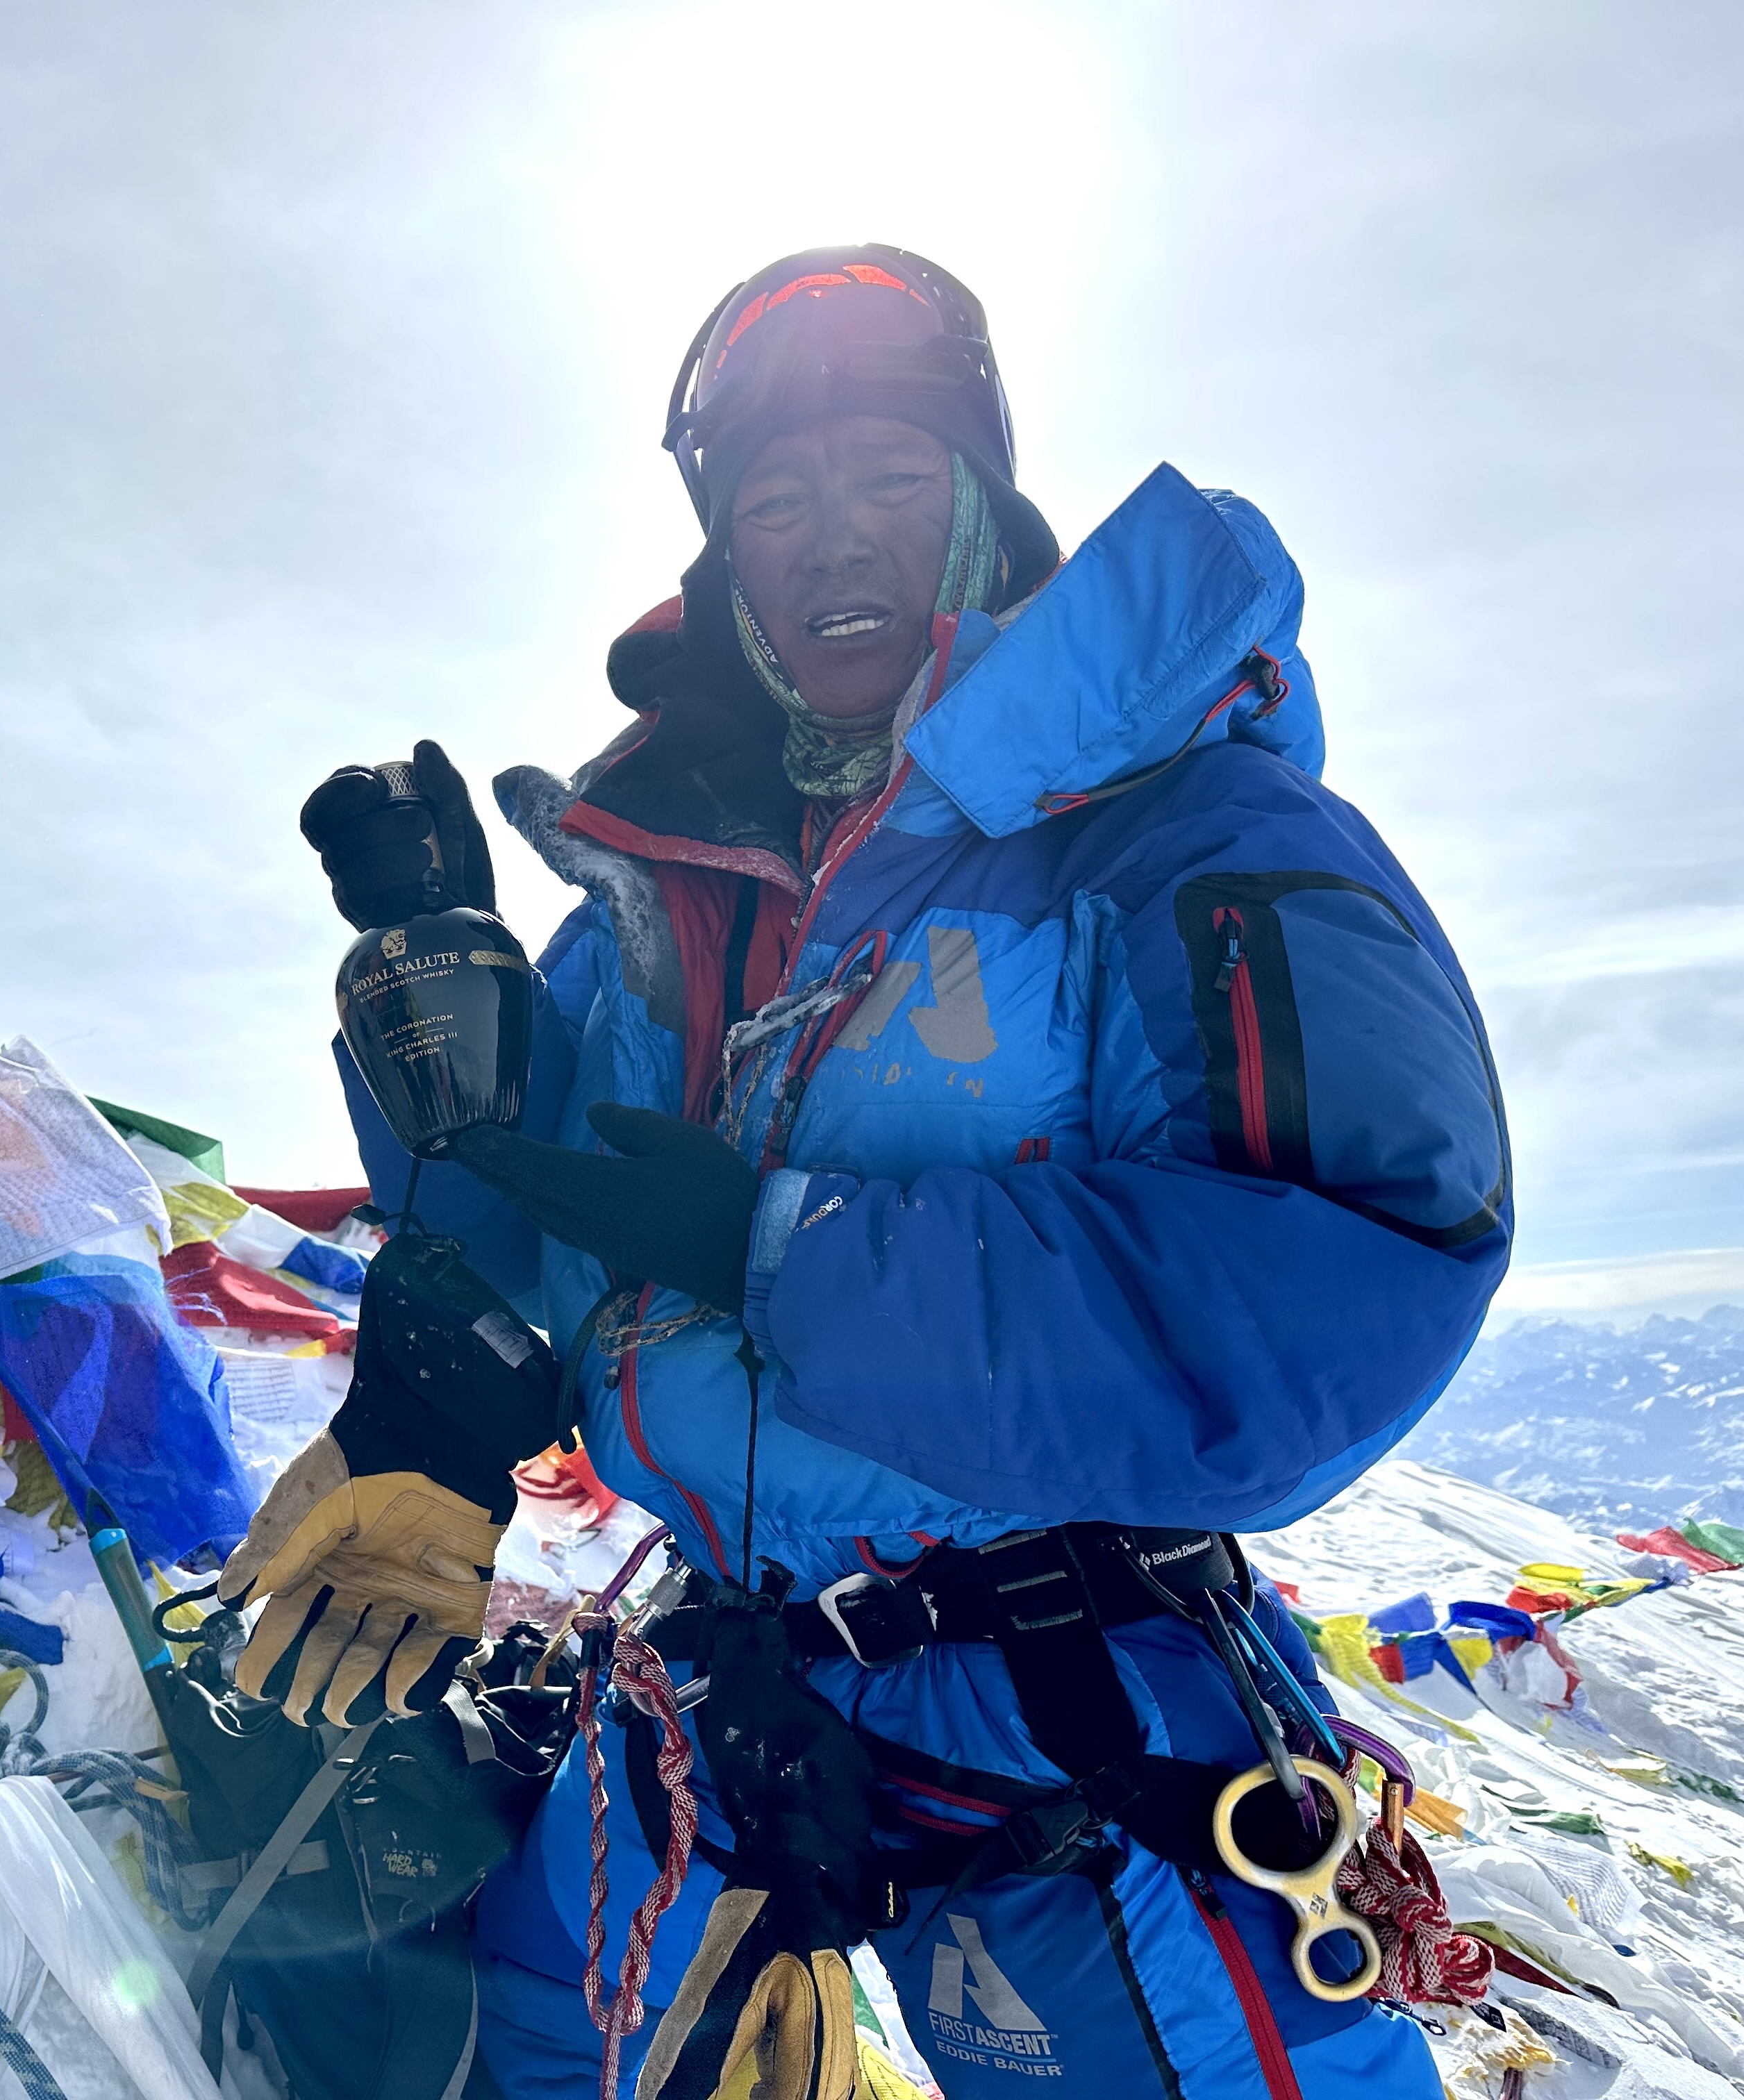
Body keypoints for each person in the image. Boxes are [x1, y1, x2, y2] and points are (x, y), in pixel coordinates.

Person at [286, 246, 1509, 2097]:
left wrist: (787, 1254)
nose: (833, 541)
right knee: (531, 2055)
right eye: (777, 501)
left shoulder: (1182, 821)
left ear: (980, 510)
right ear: (727, 559)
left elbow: (1358, 1261)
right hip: (724, 1673)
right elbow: (541, 1213)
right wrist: (443, 1013)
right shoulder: (662, 893)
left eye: (887, 482)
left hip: (1084, 1692)